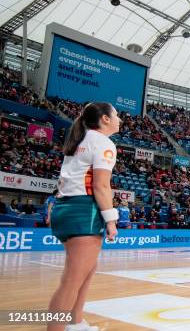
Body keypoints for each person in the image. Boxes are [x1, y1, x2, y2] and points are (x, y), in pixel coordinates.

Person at [47, 102, 121, 331]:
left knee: (87, 272)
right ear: (105, 119)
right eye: (116, 115)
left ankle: (76, 322)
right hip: (84, 211)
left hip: (66, 207)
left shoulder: (80, 140)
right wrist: (111, 220)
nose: (120, 119)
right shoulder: (103, 143)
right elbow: (101, 186)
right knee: (70, 282)